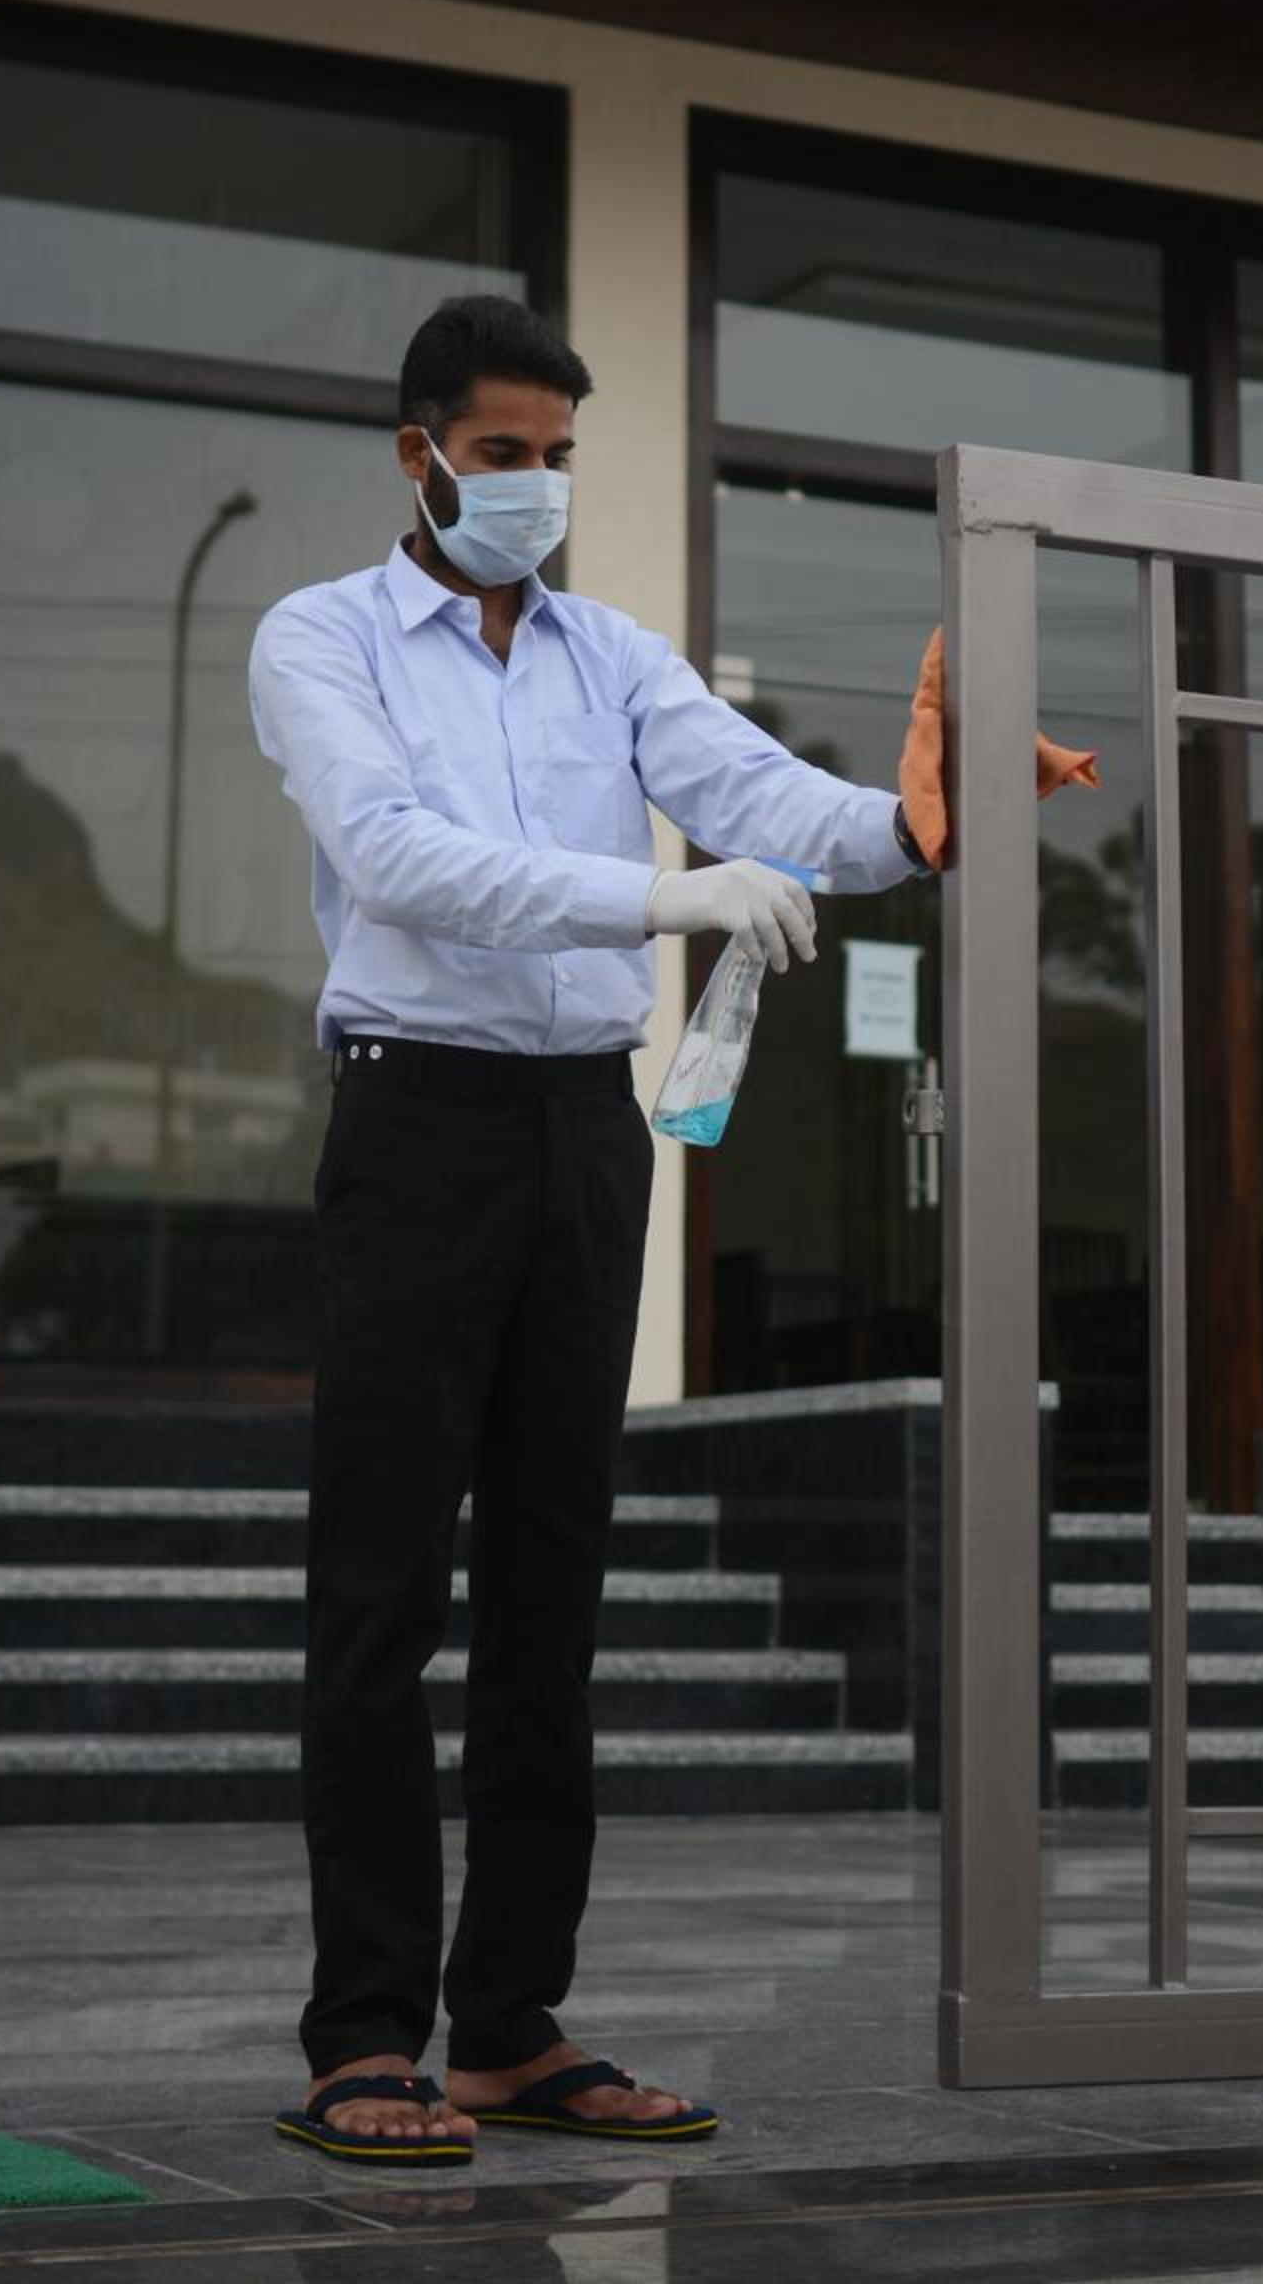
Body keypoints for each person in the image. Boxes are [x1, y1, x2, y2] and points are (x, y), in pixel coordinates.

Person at [248, 294, 940, 2167]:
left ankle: (507, 2031)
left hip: (582, 1132)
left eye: (558, 459)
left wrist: (913, 821)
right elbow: (394, 857)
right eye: (502, 455)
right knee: (383, 1594)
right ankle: (361, 2038)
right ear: (417, 452)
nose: (535, 489)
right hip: (415, 1121)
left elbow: (763, 798)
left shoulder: (611, 654)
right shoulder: (319, 636)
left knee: (553, 1594)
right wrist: (664, 902)